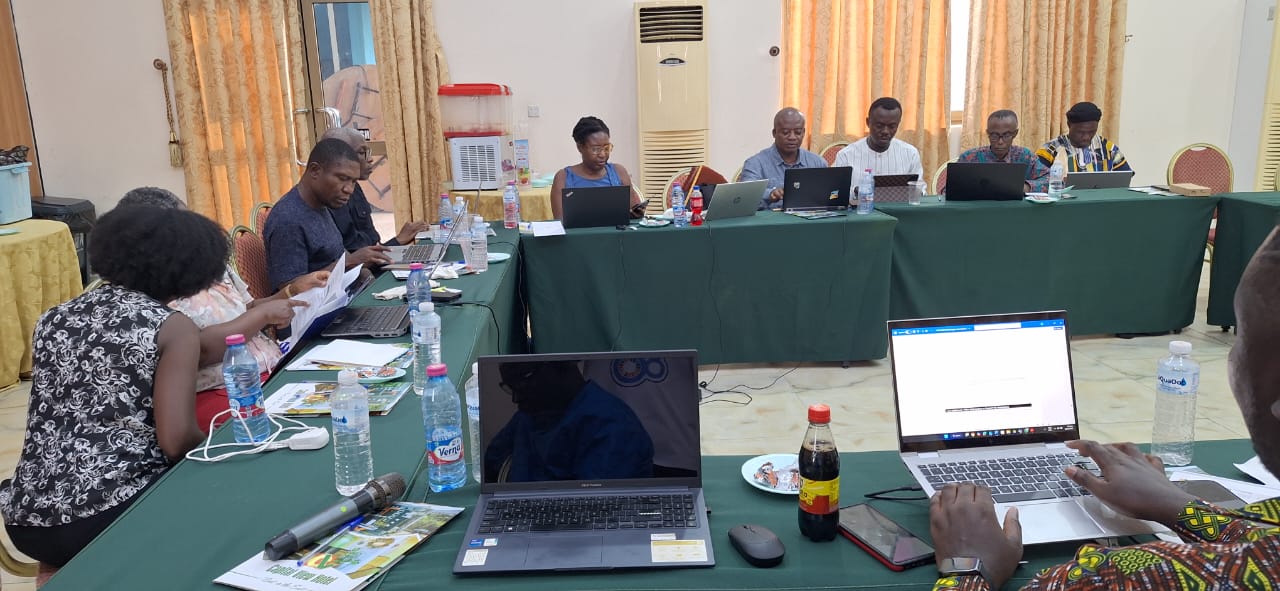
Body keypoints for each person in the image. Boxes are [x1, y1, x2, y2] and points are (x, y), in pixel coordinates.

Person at [929, 223, 1280, 590]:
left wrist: (966, 567)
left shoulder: (1122, 578)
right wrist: (1177, 505)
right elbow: (1262, 543)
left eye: (1242, 341)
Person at [0, 205, 225, 567]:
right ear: (192, 270)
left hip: (26, 521)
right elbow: (177, 440)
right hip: (109, 515)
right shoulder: (171, 326)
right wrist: (223, 448)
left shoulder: (54, 317)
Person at [117, 187, 327, 430]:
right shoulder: (149, 286)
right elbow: (199, 350)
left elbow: (246, 308)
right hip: (220, 391)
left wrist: (291, 292)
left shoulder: (208, 261)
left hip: (268, 370)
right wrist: (263, 315)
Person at [484, 360, 654, 483]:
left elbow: (593, 505)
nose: (516, 398)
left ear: (562, 365)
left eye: (523, 382)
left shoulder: (614, 427)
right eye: (511, 387)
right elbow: (490, 464)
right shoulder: (532, 412)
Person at [263, 138, 389, 292]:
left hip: (347, 293)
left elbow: (336, 254)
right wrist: (349, 262)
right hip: (324, 306)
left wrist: (362, 271)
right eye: (342, 179)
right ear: (315, 171)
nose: (349, 189)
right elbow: (290, 292)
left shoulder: (321, 204)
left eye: (353, 182)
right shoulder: (288, 220)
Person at [321, 127, 428, 253]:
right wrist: (397, 241)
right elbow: (356, 257)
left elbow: (371, 248)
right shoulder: (330, 198)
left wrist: (398, 241)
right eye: (362, 153)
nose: (370, 159)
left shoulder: (355, 188)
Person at [549, 116, 646, 220]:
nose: (603, 154)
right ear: (580, 147)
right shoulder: (563, 177)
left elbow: (634, 216)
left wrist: (637, 212)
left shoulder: (619, 172)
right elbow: (560, 222)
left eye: (606, 148)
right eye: (596, 149)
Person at [740, 107, 828, 210]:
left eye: (798, 132)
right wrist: (770, 194)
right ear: (774, 133)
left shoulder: (818, 163)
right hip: (772, 219)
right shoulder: (755, 164)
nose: (792, 137)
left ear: (803, 133)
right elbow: (746, 198)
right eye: (786, 132)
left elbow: (830, 196)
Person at [833, 97, 924, 196]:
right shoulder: (846, 155)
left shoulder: (910, 154)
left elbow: (920, 190)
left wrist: (915, 192)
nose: (885, 131)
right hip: (860, 205)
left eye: (892, 126)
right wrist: (857, 191)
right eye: (879, 126)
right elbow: (834, 193)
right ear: (868, 122)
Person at [957, 110, 1051, 193]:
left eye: (1006, 135)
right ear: (988, 133)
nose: (1000, 142)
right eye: (994, 136)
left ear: (1015, 133)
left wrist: (1025, 187)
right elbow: (951, 185)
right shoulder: (969, 158)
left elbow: (1050, 180)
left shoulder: (1025, 156)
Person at [1035, 101, 1132, 173]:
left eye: (1091, 132)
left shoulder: (1109, 149)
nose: (1086, 137)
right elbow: (1037, 181)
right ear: (1069, 125)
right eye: (1080, 132)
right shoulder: (1050, 150)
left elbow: (1124, 177)